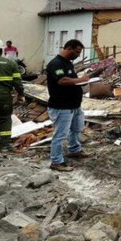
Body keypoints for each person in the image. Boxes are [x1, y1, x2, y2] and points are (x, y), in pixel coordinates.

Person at [45, 39, 91, 171]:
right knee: (60, 135)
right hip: (61, 106)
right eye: (77, 51)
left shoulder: (67, 64)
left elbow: (71, 80)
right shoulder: (56, 64)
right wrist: (80, 80)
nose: (78, 55)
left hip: (74, 105)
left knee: (76, 129)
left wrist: (81, 82)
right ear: (69, 48)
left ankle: (75, 149)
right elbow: (62, 80)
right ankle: (56, 161)